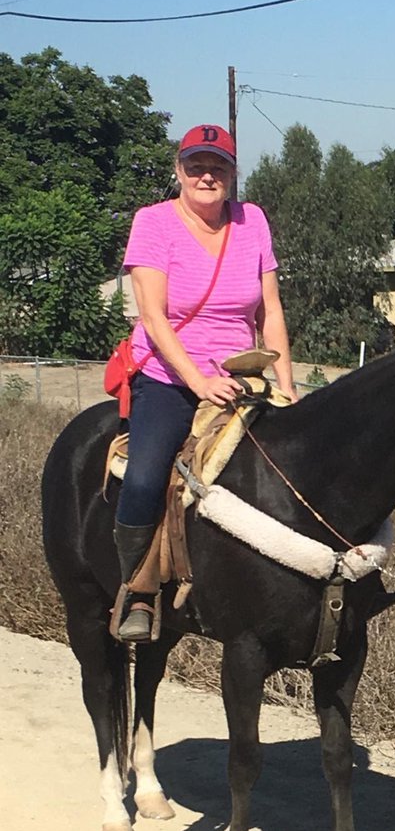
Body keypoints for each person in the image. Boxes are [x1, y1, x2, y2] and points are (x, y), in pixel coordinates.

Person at [114, 123, 296, 642]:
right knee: (148, 478)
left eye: (218, 166)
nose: (206, 175)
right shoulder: (152, 223)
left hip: (244, 375)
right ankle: (138, 589)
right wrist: (198, 382)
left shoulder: (253, 220)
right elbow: (153, 317)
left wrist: (286, 383)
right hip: (169, 377)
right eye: (196, 165)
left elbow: (271, 310)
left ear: (232, 175)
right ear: (178, 171)